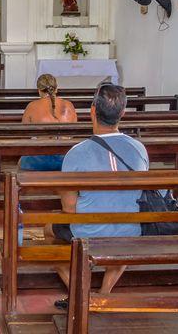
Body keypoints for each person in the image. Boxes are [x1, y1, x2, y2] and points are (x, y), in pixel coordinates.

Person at [52, 84, 149, 295]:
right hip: (129, 230)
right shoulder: (139, 149)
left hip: (88, 232)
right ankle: (105, 292)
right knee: (124, 225)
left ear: (92, 111)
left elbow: (69, 209)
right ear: (122, 113)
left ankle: (82, 295)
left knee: (47, 233)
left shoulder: (76, 153)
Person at [19, 74, 78, 171]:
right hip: (66, 158)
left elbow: (24, 134)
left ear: (39, 90)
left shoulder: (32, 106)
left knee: (22, 162)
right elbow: (73, 133)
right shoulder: (69, 105)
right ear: (56, 89)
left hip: (39, 158)